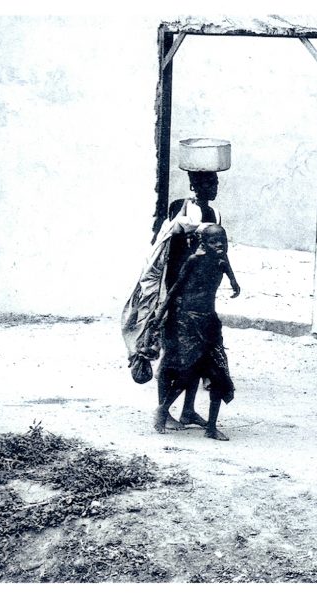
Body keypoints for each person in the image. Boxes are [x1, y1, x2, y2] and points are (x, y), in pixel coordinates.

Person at [122, 169, 239, 431]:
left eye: (215, 182)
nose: (213, 187)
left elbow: (220, 249)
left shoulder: (215, 214)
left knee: (198, 356)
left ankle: (188, 411)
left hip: (201, 295)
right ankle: (164, 411)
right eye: (208, 182)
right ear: (194, 184)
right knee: (174, 356)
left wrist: (230, 279)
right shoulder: (181, 207)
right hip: (176, 291)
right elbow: (161, 245)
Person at [154, 223, 237, 439]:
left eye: (223, 240)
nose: (220, 245)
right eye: (214, 242)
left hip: (210, 322)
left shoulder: (221, 258)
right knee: (187, 372)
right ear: (203, 243)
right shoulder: (194, 260)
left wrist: (235, 282)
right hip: (188, 321)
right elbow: (175, 288)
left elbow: (227, 267)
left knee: (219, 372)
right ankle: (163, 410)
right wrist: (159, 314)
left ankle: (211, 428)